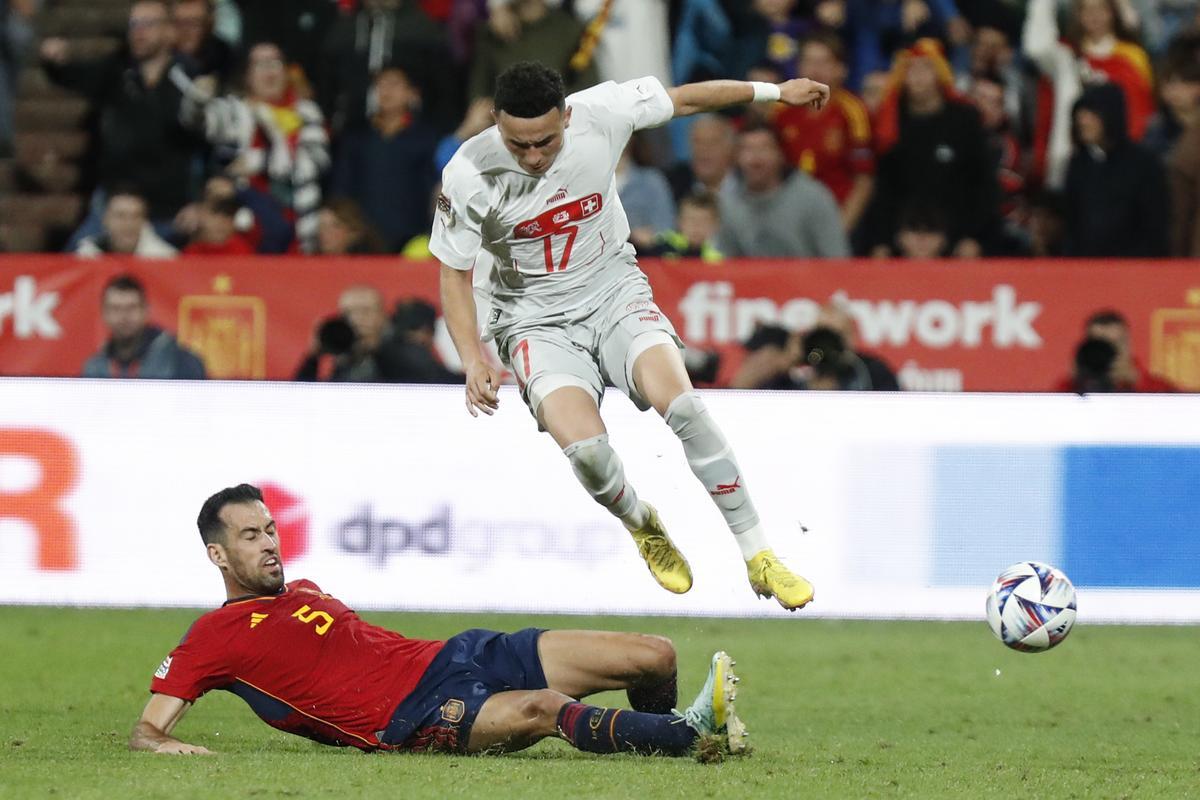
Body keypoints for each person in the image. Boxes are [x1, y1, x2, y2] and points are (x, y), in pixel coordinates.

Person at [432, 61, 831, 610]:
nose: (532, 156)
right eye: (517, 143)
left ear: (567, 116)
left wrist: (775, 91)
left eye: (545, 141)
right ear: (495, 121)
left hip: (613, 292)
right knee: (590, 454)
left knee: (685, 407)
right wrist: (472, 357)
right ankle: (642, 522)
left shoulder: (602, 113)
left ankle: (760, 555)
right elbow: (453, 271)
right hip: (532, 321)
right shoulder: (468, 172)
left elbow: (687, 100)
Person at [130, 484, 745, 756]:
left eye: (270, 529)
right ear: (218, 554)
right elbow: (148, 732)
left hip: (457, 654)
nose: (269, 544)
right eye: (249, 536)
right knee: (544, 707)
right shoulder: (212, 638)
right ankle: (691, 736)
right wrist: (182, 752)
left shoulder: (306, 590)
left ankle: (656, 735)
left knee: (654, 653)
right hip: (412, 718)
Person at [40, 0, 203, 244]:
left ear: (170, 31)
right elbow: (74, 75)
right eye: (133, 24)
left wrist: (200, 202)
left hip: (168, 211)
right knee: (77, 262)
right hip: (113, 205)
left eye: (148, 24)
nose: (138, 31)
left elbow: (210, 146)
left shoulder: (191, 78)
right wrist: (55, 63)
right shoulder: (117, 70)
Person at [181, 42, 330, 252]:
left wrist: (256, 161)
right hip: (242, 230)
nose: (269, 72)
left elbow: (314, 162)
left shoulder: (306, 113)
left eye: (275, 63)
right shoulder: (236, 112)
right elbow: (197, 122)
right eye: (260, 65)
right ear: (247, 75)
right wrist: (196, 99)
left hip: (299, 228)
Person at [331, 65, 441, 253]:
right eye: (380, 85)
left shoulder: (426, 139)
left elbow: (434, 192)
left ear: (411, 93)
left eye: (394, 84)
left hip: (412, 243)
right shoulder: (356, 138)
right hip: (363, 243)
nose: (386, 90)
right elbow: (342, 189)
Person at [772, 32, 875, 232]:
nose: (815, 70)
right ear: (798, 67)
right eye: (809, 61)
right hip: (786, 221)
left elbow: (864, 180)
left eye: (824, 62)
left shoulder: (853, 111)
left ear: (841, 69)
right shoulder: (779, 112)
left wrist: (840, 229)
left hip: (837, 217)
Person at [1062, 83, 1169, 257]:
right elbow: (1072, 224)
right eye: (1080, 115)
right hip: (1085, 270)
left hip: (1135, 270)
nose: (1083, 121)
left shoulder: (1144, 164)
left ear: (1111, 116)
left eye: (1092, 114)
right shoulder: (1078, 165)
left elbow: (1155, 227)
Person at [717, 121, 849, 258]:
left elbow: (837, 260)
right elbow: (726, 265)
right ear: (736, 157)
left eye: (764, 148)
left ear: (781, 155)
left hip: (806, 278)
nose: (755, 158)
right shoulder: (727, 203)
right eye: (747, 149)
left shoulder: (813, 198)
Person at [82, 274, 206, 379]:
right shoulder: (94, 367)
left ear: (146, 310)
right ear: (104, 313)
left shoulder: (180, 361)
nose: (124, 316)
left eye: (132, 307)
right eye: (116, 308)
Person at [1054, 309, 1177, 392]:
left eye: (1114, 344)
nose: (1107, 352)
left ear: (1128, 346)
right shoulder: (1069, 387)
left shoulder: (1158, 389)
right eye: (1100, 345)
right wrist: (1075, 381)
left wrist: (1136, 382)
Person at [75, 189, 179, 258]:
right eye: (121, 216)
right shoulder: (86, 255)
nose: (129, 224)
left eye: (136, 216)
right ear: (105, 220)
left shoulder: (166, 258)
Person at [644, 191, 724, 261]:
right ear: (679, 222)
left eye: (704, 221)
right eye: (691, 220)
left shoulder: (716, 261)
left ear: (715, 226)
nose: (697, 226)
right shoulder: (661, 247)